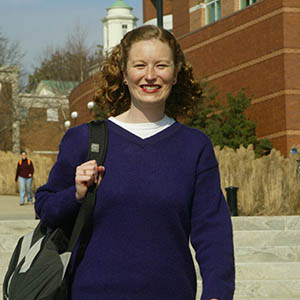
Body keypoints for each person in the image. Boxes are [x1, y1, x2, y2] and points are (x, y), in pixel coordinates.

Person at [35, 25, 235, 300]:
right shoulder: (84, 140)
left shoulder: (194, 146)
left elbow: (212, 230)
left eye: (161, 65)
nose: (150, 76)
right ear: (124, 73)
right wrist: (76, 194)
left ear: (176, 74)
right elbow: (45, 209)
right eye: (140, 65)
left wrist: (217, 292)